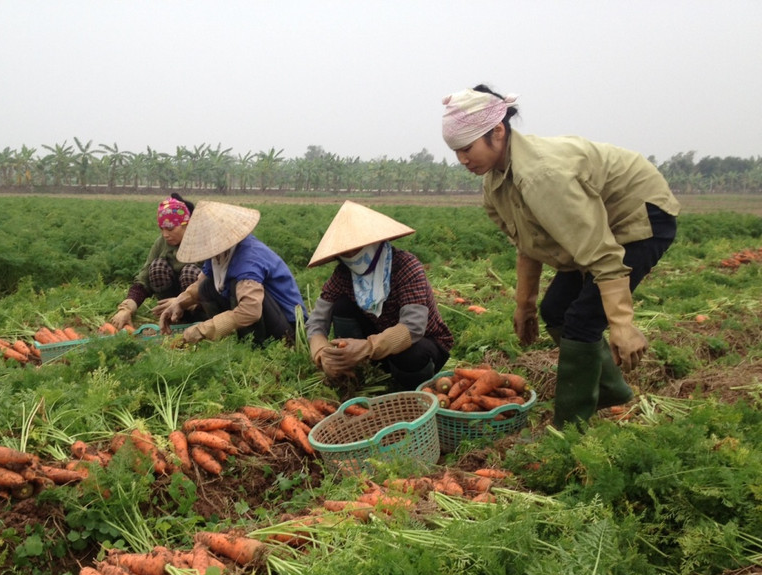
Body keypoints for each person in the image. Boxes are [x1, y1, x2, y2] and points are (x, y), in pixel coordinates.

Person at [441, 84, 680, 427]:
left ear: (498, 132)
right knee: (555, 310)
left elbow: (601, 251)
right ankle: (609, 390)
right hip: (592, 227)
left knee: (582, 320)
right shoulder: (496, 183)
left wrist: (622, 324)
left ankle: (570, 427)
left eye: (467, 148)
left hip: (639, 215)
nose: (463, 159)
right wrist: (524, 305)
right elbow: (529, 243)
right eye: (456, 151)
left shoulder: (542, 176)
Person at [305, 200, 454, 391]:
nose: (351, 255)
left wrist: (367, 348)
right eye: (345, 252)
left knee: (410, 355)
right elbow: (316, 322)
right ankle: (355, 373)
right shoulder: (343, 274)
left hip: (423, 344)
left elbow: (413, 327)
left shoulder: (405, 266)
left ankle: (411, 388)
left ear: (373, 241)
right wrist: (322, 353)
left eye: (357, 247)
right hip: (374, 348)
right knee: (341, 305)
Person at [158, 201, 306, 345]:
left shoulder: (248, 260)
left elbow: (250, 311)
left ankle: (254, 345)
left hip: (287, 329)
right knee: (206, 286)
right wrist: (179, 303)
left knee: (236, 286)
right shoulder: (219, 253)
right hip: (264, 316)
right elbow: (201, 283)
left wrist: (202, 330)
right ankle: (231, 339)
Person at [109, 193, 204, 330]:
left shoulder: (201, 242)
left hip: (196, 300)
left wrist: (182, 301)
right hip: (170, 299)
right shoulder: (162, 243)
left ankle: (195, 317)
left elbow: (212, 283)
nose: (165, 234)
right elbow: (144, 279)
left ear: (186, 225)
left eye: (170, 229)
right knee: (157, 266)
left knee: (190, 272)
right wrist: (126, 308)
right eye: (162, 229)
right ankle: (169, 315)